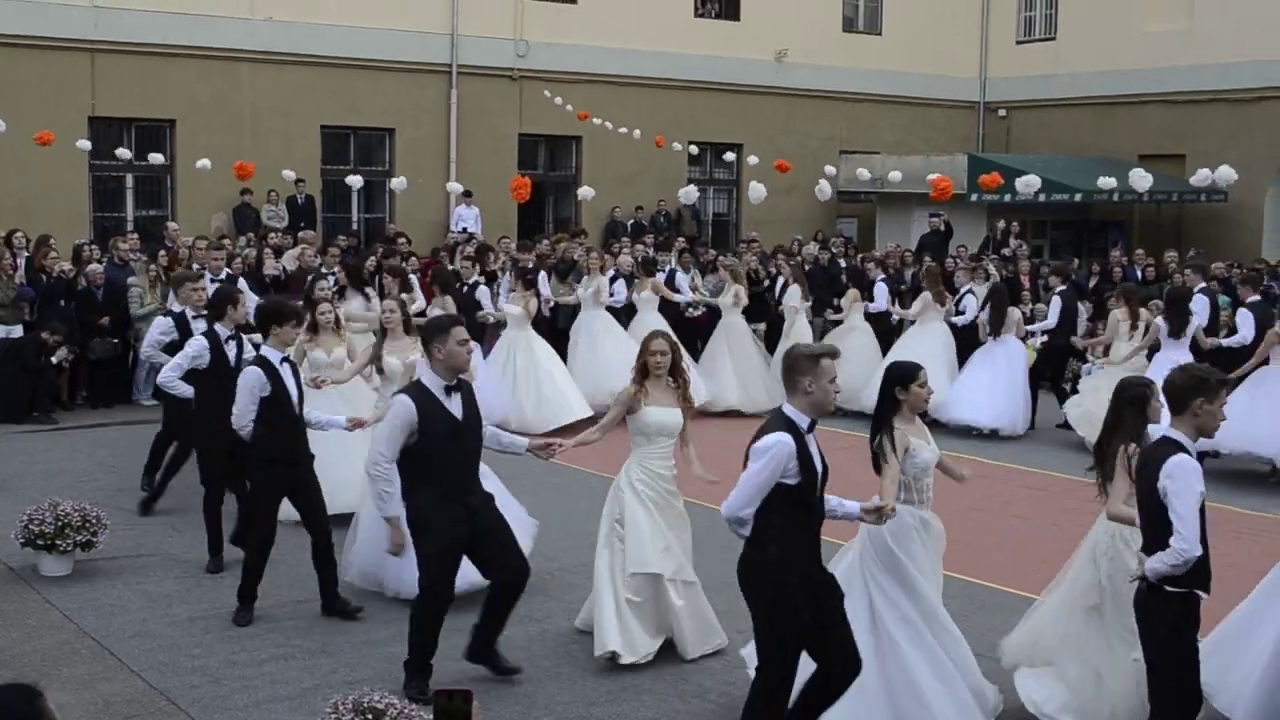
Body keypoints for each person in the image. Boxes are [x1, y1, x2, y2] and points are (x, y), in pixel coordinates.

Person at [743, 358, 1002, 719]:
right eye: (922, 385)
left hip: (921, 528)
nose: (929, 391)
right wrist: (887, 503)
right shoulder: (891, 434)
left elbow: (935, 457)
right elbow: (890, 476)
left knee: (918, 600)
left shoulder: (919, 425)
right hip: (898, 529)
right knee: (908, 604)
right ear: (900, 393)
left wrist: (959, 473)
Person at [364, 313, 563, 705]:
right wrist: (392, 520)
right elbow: (379, 462)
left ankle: (482, 645)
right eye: (462, 342)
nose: (471, 347)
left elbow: (480, 431)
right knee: (435, 595)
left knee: (514, 572)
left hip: (475, 501)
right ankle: (417, 672)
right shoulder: (406, 404)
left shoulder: (466, 389)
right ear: (439, 351)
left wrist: (528, 445)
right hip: (433, 513)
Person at [722, 343, 889, 720]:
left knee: (843, 663)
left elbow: (801, 497)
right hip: (775, 576)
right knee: (776, 677)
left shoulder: (802, 432)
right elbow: (734, 511)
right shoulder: (779, 441)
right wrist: (772, 546)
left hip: (806, 573)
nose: (838, 388)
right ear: (809, 385)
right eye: (832, 381)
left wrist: (856, 510)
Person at [999, 376, 1161, 720]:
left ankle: (1118, 690)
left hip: (1112, 537)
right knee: (1126, 619)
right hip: (1126, 537)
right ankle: (1123, 695)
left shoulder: (1120, 443)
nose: (1160, 406)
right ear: (1140, 407)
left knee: (1111, 616)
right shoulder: (1132, 450)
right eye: (1155, 400)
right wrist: (1155, 521)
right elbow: (1116, 506)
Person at [563, 329, 727, 664]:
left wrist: (699, 470)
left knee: (669, 553)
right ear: (644, 358)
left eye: (664, 353)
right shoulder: (633, 394)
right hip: (637, 483)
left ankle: (662, 620)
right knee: (639, 553)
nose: (659, 360)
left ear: (673, 357)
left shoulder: (679, 392)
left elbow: (685, 442)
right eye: (653, 354)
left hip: (666, 486)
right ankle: (628, 631)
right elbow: (600, 429)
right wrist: (569, 443)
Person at [230, 297, 371, 628]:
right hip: (269, 468)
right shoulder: (254, 372)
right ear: (275, 328)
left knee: (321, 531)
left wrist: (340, 422)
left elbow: (298, 413)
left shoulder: (290, 367)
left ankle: (331, 598)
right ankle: (245, 600)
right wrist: (268, 446)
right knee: (262, 537)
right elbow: (241, 422)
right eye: (293, 326)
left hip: (300, 463)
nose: (298, 331)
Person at [1132, 362, 1228, 720]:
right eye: (1220, 406)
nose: (1224, 417)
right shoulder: (1183, 464)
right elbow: (1187, 548)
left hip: (1157, 599)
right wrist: (1153, 568)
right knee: (1179, 702)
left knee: (1166, 695)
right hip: (1171, 598)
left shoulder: (1154, 450)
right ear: (1199, 406)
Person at [154, 284, 255, 574]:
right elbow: (166, 377)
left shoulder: (241, 341)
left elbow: (253, 367)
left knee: (246, 486)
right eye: (242, 305)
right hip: (209, 428)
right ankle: (215, 552)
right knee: (213, 492)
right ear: (230, 310)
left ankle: (242, 536)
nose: (246, 309)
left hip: (237, 426)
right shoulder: (200, 344)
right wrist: (197, 394)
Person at [137, 270, 205, 501]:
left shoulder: (208, 316)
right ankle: (150, 472)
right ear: (180, 293)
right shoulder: (167, 321)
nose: (198, 294)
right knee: (171, 430)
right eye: (191, 290)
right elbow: (148, 351)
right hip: (176, 382)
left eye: (201, 289)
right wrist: (176, 365)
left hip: (203, 381)